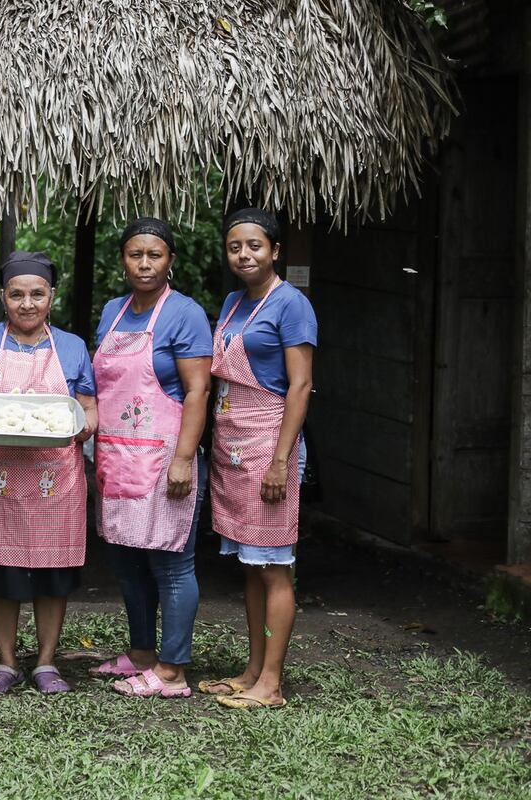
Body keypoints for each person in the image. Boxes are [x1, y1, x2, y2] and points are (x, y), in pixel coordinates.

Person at [0, 251, 97, 695]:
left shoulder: (71, 346)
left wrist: (87, 423)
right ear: (3, 297)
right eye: (17, 295)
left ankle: (47, 663)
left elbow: (87, 406)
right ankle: (7, 662)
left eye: (37, 294)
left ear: (52, 296)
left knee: (52, 572)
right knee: (1, 570)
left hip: (55, 477)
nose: (27, 304)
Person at [90, 218, 213, 699]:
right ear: (123, 260)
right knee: (126, 561)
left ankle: (171, 671)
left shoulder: (184, 314)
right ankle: (140, 653)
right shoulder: (113, 312)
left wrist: (184, 458)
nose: (144, 263)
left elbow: (198, 390)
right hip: (117, 456)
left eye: (155, 255)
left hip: (164, 458)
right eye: (135, 254)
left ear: (170, 261)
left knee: (171, 564)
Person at [200, 207, 316, 710]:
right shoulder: (232, 301)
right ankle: (251, 670)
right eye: (234, 247)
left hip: (270, 443)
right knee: (251, 566)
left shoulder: (290, 304)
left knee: (273, 567)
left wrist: (280, 460)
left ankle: (271, 684)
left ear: (275, 250)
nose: (244, 255)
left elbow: (301, 385)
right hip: (232, 445)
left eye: (254, 246)